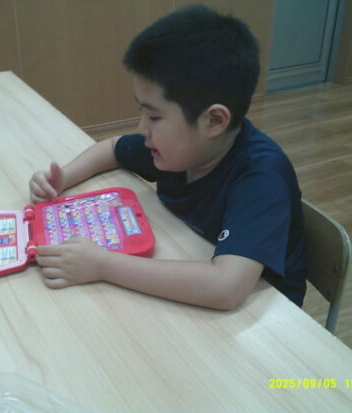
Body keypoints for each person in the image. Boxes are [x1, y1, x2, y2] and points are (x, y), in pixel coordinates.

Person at [29, 4, 307, 310]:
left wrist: (102, 264)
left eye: (154, 117)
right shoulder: (181, 148)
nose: (142, 129)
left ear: (214, 121)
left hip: (265, 317)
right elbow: (113, 148)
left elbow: (225, 287)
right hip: (193, 272)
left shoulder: (262, 177)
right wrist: (64, 178)